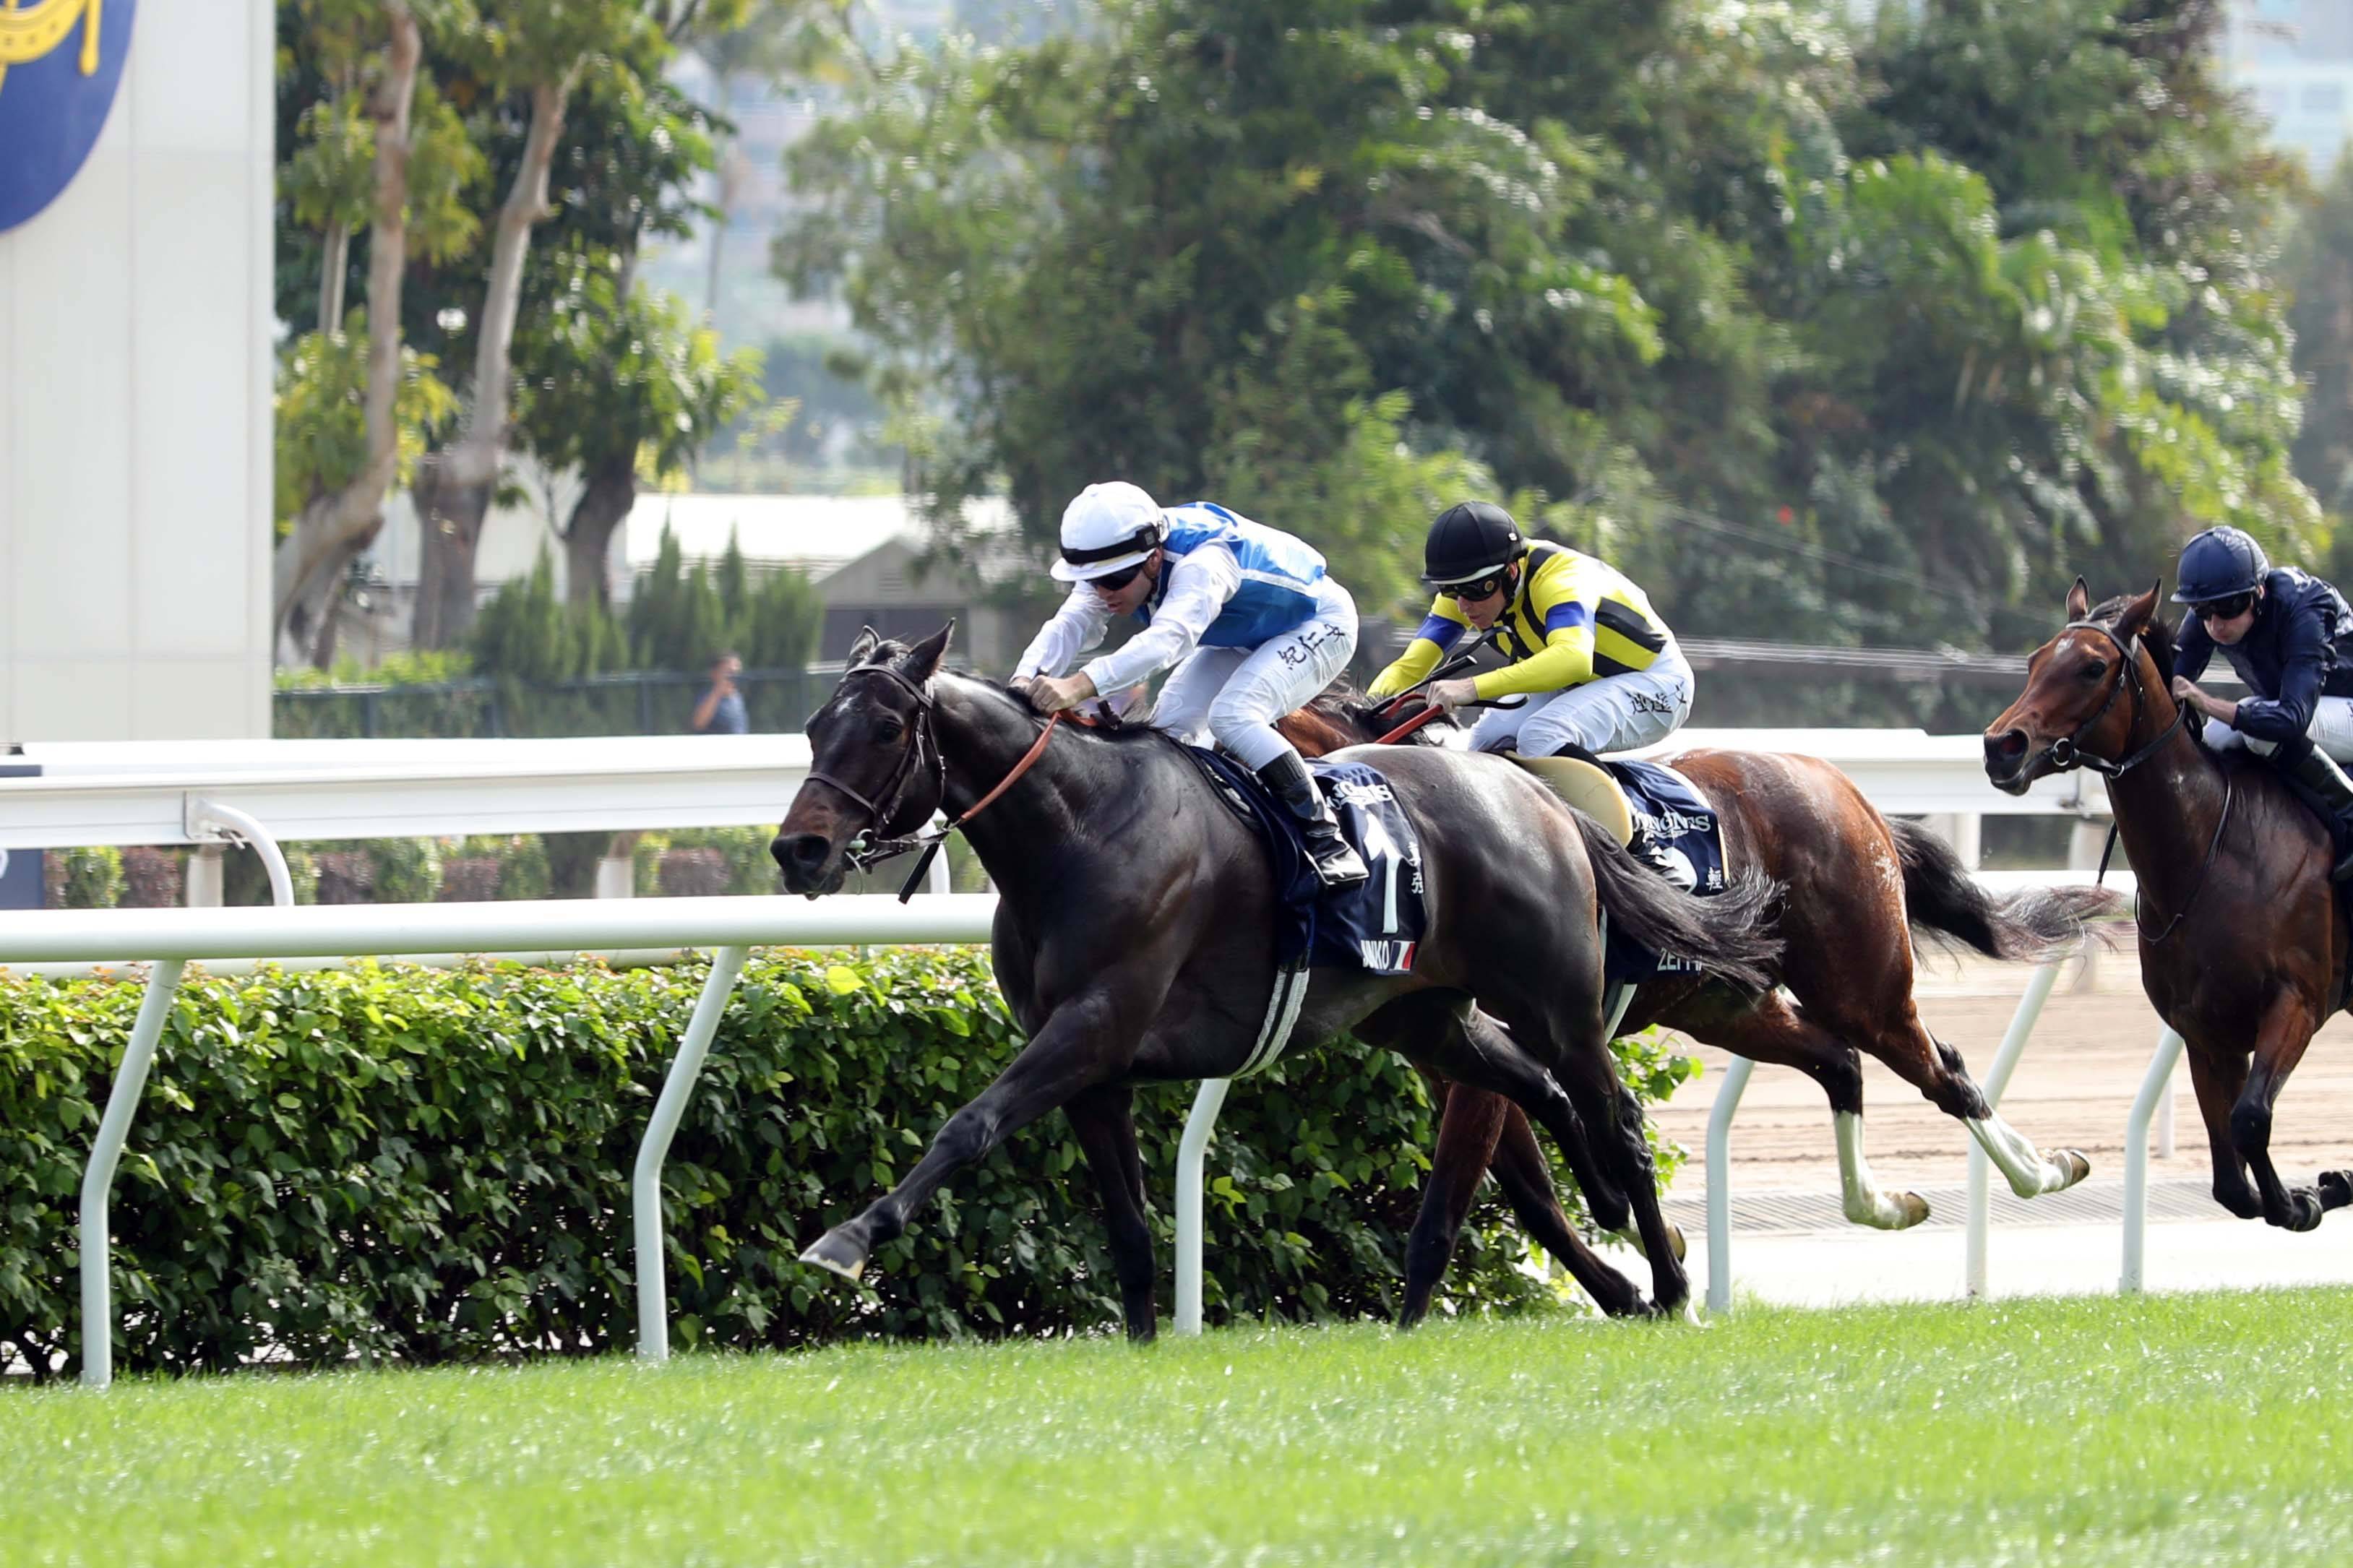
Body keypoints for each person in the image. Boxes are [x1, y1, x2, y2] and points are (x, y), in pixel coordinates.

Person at [1011, 481, 1369, 888]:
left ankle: (1326, 838)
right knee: (1170, 733)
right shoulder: (1120, 557)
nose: (1104, 593)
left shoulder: (1205, 563)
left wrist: (1079, 685)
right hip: (1243, 634)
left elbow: (1168, 641)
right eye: (1094, 581)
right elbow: (1069, 625)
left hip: (1319, 623)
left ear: (1155, 557)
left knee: (1233, 717)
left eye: (1116, 581)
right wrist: (1024, 679)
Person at [1368, 501, 1692, 760]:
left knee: (1541, 735)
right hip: (1576, 685)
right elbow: (1409, 668)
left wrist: (1471, 687)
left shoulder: (1561, 580)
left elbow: (1574, 660)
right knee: (1483, 742)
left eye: (1475, 590)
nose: (1463, 604)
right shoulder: (1468, 591)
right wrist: (1363, 713)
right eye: (1451, 591)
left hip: (1655, 682)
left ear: (1510, 572)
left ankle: (1631, 835)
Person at [2169, 525, 2353, 879]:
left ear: (2258, 591)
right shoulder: (2210, 617)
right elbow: (2171, 684)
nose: (2216, 624)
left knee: (2260, 733)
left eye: (2228, 608)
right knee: (2214, 737)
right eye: (2203, 611)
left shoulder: (2306, 606)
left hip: (2336, 707)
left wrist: (2206, 702)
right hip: (2297, 707)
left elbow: (2292, 719)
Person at [692, 651, 749, 735]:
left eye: (737, 673)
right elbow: (698, 724)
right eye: (729, 673)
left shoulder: (737, 697)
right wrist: (717, 692)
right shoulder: (707, 697)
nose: (734, 677)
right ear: (714, 674)